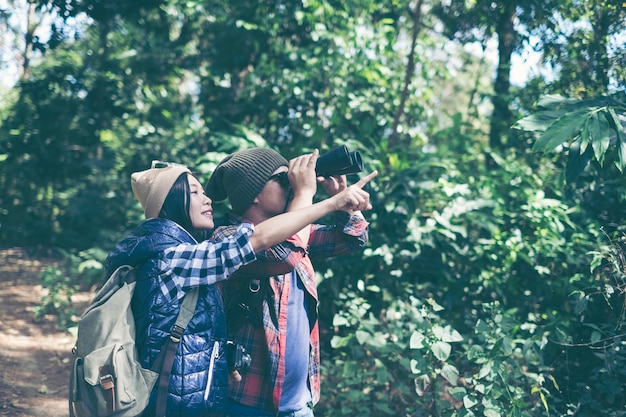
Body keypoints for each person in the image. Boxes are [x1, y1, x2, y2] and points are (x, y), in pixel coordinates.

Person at [103, 159, 376, 417]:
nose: (208, 199)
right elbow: (278, 251)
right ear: (172, 202)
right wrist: (308, 195)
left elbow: (350, 240)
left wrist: (345, 204)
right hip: (214, 402)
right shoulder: (176, 258)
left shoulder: (187, 254)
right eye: (195, 193)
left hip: (285, 399)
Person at [205, 148, 375, 417]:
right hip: (247, 403)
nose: (292, 184)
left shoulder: (297, 232)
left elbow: (352, 239)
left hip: (300, 403)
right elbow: (284, 253)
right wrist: (305, 194)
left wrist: (340, 199)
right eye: (283, 180)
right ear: (255, 195)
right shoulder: (227, 238)